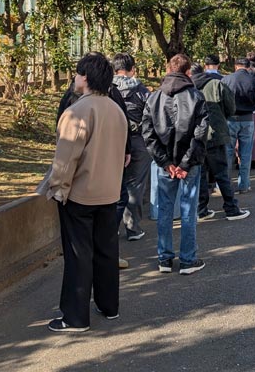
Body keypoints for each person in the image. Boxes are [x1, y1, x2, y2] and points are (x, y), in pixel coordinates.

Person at [41, 52, 129, 332]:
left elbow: (65, 160)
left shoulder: (77, 111)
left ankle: (75, 317)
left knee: (78, 255)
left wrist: (57, 189)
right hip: (109, 192)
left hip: (79, 194)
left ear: (85, 78)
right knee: (106, 250)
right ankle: (109, 305)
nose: (75, 78)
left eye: (77, 74)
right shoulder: (115, 109)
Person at [143, 54, 210, 275]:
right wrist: (184, 163)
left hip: (167, 165)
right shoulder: (196, 96)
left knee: (164, 210)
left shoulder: (154, 98)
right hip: (188, 163)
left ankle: (164, 258)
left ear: (168, 69)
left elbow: (148, 134)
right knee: (188, 210)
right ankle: (188, 260)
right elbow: (200, 133)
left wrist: (166, 163)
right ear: (188, 71)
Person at [191, 56, 250, 221]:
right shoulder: (216, 84)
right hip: (215, 133)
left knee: (201, 174)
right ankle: (231, 208)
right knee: (222, 173)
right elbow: (231, 108)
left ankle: (201, 209)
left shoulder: (187, 89)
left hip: (194, 137)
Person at [111, 53, 151, 241]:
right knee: (135, 184)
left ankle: (111, 226)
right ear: (132, 69)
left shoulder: (106, 89)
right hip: (137, 141)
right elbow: (151, 117)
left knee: (113, 184)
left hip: (112, 142)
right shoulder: (141, 90)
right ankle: (132, 227)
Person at [221, 58, 255, 193]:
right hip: (247, 119)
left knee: (228, 152)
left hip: (230, 119)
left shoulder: (226, 80)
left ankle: (226, 185)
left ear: (236, 66)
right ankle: (244, 185)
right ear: (248, 67)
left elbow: (220, 100)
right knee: (246, 153)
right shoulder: (254, 80)